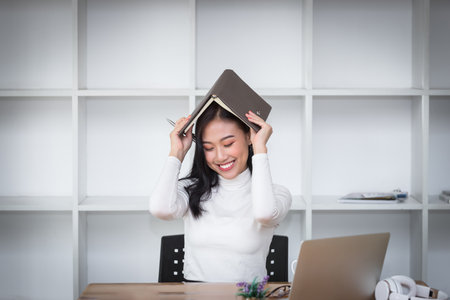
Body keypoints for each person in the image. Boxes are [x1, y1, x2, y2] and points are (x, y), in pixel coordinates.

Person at [149, 102, 292, 282]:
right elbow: (160, 209)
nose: (220, 156)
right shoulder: (192, 189)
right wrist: (177, 151)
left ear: (250, 136)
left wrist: (260, 149)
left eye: (228, 143)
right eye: (208, 148)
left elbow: (264, 214)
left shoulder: (276, 194)